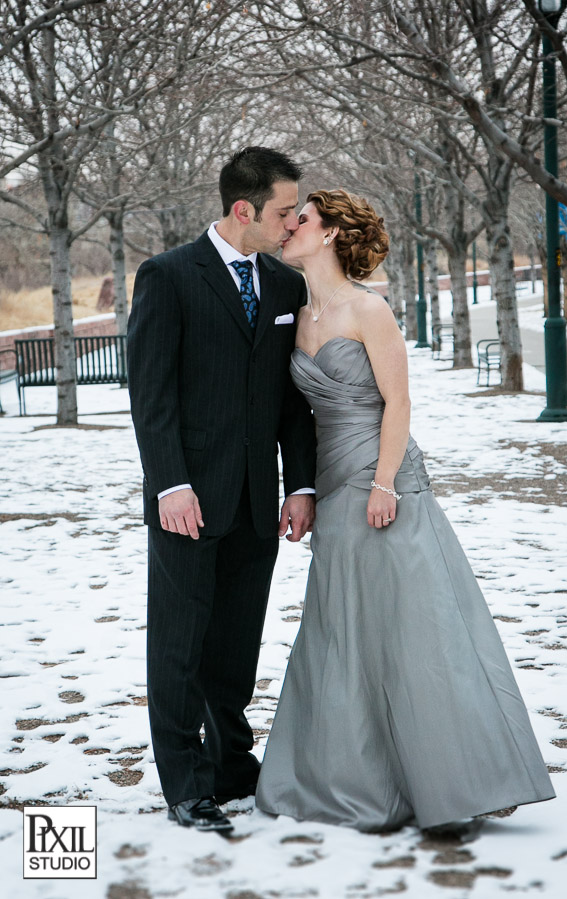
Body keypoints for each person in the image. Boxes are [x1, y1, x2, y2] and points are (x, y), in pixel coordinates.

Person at [255, 189, 556, 833]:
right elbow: (297, 419)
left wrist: (385, 483)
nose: (288, 228)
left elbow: (399, 403)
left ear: (331, 233)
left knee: (414, 629)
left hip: (384, 480)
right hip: (332, 485)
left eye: (300, 219)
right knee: (344, 627)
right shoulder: (298, 314)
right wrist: (302, 487)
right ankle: (357, 777)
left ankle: (449, 782)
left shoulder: (370, 309)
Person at [127, 147, 317, 835]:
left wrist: (300, 484)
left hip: (256, 503)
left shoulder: (285, 287)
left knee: (235, 646)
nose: (293, 222)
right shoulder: (168, 276)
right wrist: (169, 484)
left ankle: (233, 765)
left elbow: (293, 405)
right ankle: (185, 782)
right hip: (186, 500)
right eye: (283, 211)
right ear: (244, 210)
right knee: (179, 646)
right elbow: (151, 396)